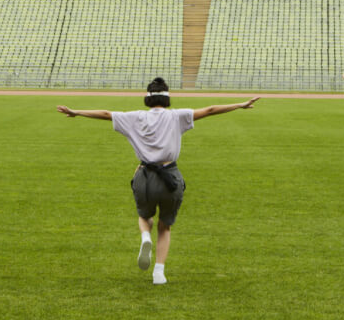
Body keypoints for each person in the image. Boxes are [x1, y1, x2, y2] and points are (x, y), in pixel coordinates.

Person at [56, 77, 259, 286]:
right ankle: (159, 273)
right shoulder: (177, 117)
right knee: (165, 226)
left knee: (144, 217)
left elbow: (107, 114)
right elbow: (210, 109)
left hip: (144, 176)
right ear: (167, 98)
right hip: (170, 176)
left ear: (147, 99)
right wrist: (240, 105)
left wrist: (77, 112)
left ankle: (145, 237)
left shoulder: (134, 118)